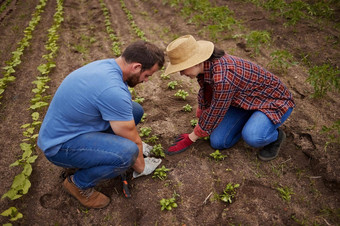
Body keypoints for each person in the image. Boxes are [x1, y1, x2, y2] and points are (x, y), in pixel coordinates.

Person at [37, 40, 165, 209]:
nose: (146, 80)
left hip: (73, 130)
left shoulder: (107, 66)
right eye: (147, 75)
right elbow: (133, 142)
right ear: (136, 67)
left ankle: (102, 152)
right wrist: (141, 166)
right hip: (60, 147)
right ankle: (78, 184)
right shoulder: (113, 89)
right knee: (128, 154)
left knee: (135, 111)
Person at [164, 35, 295, 161]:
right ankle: (251, 121)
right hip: (243, 101)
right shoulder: (206, 67)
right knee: (218, 142)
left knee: (253, 136)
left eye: (182, 68)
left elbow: (217, 109)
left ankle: (276, 137)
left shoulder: (223, 77)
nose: (181, 73)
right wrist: (202, 111)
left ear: (195, 62)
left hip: (272, 101)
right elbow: (206, 92)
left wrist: (191, 138)